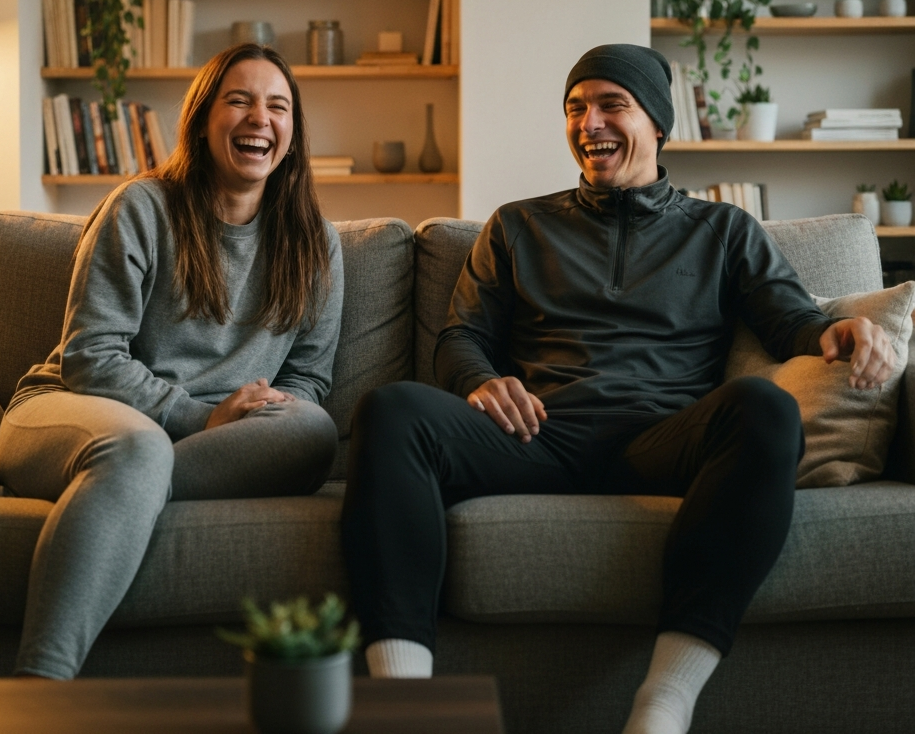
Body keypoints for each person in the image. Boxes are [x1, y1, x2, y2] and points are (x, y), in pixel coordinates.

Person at [341, 43, 894, 734]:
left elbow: (792, 320)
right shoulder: (518, 225)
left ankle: (664, 701)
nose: (589, 123)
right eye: (576, 108)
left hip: (661, 440)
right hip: (536, 433)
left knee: (766, 410)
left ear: (657, 123)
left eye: (612, 105)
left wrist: (838, 334)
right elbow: (460, 338)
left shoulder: (722, 229)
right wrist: (482, 382)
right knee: (391, 409)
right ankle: (405, 705)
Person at [0, 44, 343, 680]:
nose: (260, 119)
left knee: (312, 431)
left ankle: (50, 496)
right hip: (72, 408)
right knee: (138, 451)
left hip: (210, 438)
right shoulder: (143, 207)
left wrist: (258, 415)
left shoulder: (315, 244)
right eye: (239, 100)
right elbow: (91, 357)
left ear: (293, 136)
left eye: (278, 107)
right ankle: (38, 688)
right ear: (202, 119)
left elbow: (307, 378)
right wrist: (202, 418)